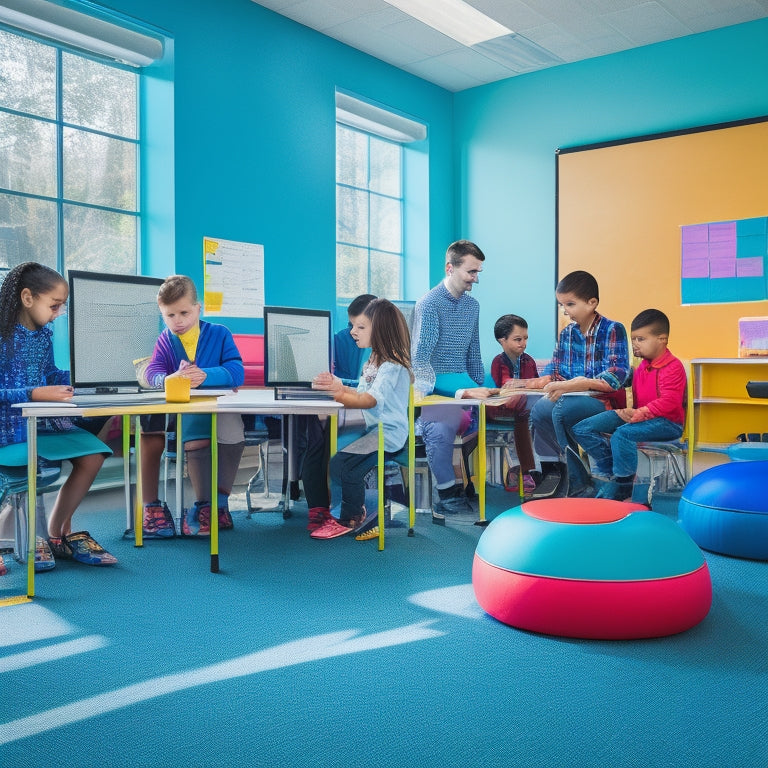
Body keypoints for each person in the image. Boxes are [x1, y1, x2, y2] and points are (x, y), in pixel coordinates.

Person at [0, 261, 116, 569]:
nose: (58, 313)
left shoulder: (44, 336)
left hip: (43, 426)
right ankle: (25, 538)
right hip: (9, 431)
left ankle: (55, 533)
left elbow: (50, 374)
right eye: (54, 305)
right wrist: (34, 393)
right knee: (26, 470)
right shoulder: (2, 336)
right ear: (28, 298)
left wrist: (83, 377)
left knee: (93, 456)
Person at [139, 275, 245, 538]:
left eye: (184, 312)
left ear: (199, 308)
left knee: (234, 431)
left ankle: (218, 503)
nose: (178, 321)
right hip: (185, 416)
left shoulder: (220, 334)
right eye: (169, 315)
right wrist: (166, 379)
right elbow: (152, 371)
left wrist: (208, 375)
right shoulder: (166, 340)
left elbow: (236, 371)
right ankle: (204, 505)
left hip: (220, 412)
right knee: (195, 438)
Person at [306, 298, 411, 540]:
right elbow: (362, 393)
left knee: (343, 465)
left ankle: (350, 518)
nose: (353, 331)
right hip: (376, 430)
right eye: (354, 326)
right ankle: (356, 511)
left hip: (389, 434)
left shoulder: (392, 364)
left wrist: (338, 394)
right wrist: (339, 387)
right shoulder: (373, 361)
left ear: (381, 330)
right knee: (341, 463)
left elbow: (370, 400)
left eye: (361, 327)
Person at [411, 240, 497, 522]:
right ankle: (447, 492)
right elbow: (420, 360)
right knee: (438, 428)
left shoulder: (473, 306)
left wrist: (478, 390)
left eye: (478, 272)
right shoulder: (429, 303)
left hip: (464, 386)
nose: (476, 278)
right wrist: (460, 392)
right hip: (437, 388)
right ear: (450, 268)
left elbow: (474, 353)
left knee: (484, 418)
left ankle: (467, 483)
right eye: (471, 272)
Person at [529, 270, 630, 499]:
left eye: (570, 304)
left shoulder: (613, 329)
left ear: (591, 303)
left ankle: (580, 481)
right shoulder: (567, 333)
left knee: (561, 410)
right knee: (539, 411)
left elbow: (615, 377)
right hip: (570, 398)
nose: (565, 311)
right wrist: (536, 383)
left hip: (601, 402)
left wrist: (573, 385)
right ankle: (564, 473)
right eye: (562, 305)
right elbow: (555, 370)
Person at [572, 308, 686, 500]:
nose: (634, 344)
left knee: (622, 435)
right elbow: (625, 392)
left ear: (662, 339)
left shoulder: (673, 367)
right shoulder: (641, 367)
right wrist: (623, 410)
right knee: (582, 428)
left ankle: (624, 486)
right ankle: (614, 472)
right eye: (633, 339)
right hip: (639, 417)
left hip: (667, 423)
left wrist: (638, 414)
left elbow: (669, 402)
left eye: (641, 339)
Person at [487, 314, 549, 493]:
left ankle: (539, 468)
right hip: (502, 407)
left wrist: (529, 386)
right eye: (517, 339)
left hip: (524, 407)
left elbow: (535, 384)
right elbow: (506, 385)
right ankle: (528, 469)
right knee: (525, 414)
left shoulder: (528, 360)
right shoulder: (498, 362)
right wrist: (527, 386)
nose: (523, 343)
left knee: (540, 412)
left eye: (525, 338)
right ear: (502, 340)